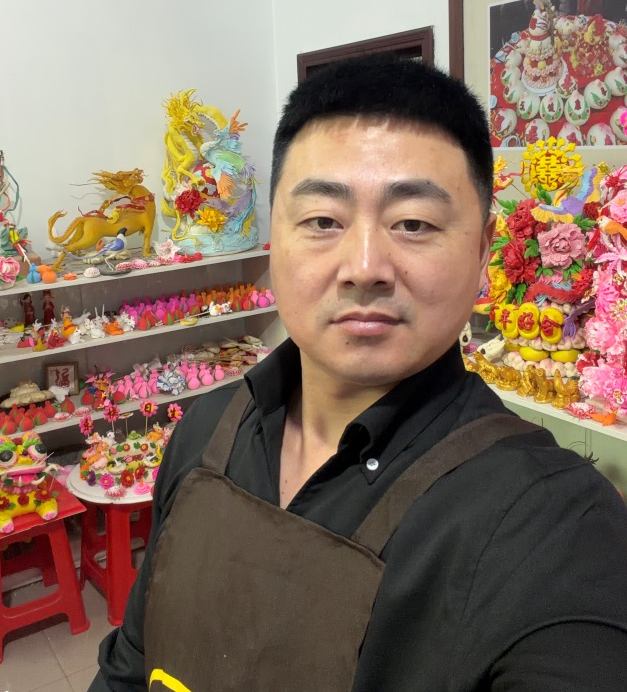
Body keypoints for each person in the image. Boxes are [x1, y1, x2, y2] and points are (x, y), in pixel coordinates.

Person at [89, 55, 627, 692]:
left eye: (413, 223)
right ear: (273, 237)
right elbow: (130, 667)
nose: (365, 267)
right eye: (323, 221)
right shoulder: (204, 432)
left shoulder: (554, 527)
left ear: (485, 251)